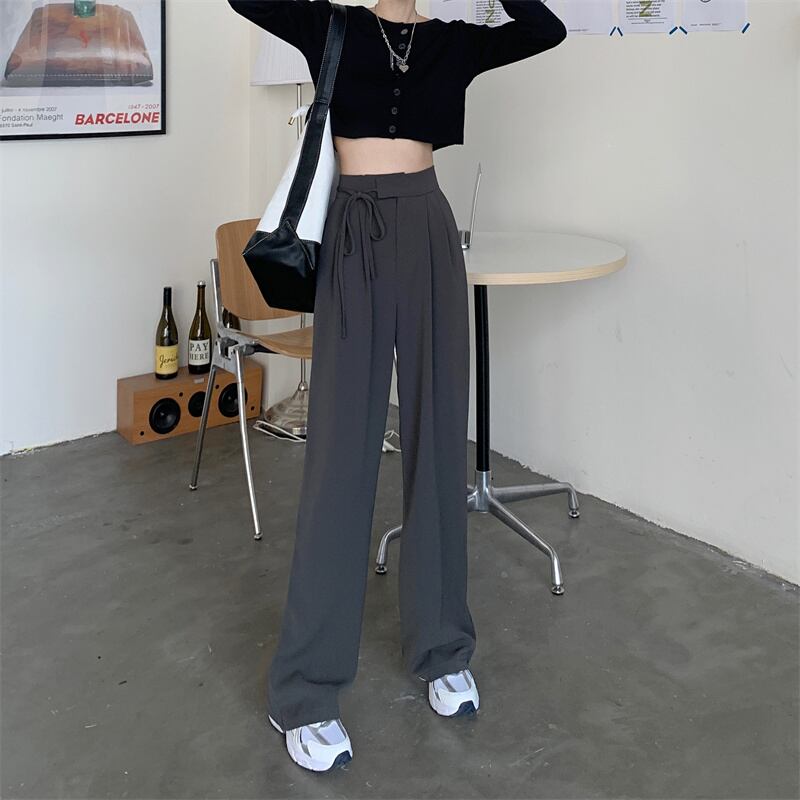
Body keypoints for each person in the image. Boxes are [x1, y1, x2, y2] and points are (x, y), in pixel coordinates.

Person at [228, 0, 568, 772]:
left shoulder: (452, 44)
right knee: (340, 457)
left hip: (428, 231)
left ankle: (443, 649)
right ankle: (305, 691)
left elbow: (544, 29)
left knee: (440, 438)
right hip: (351, 231)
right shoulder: (331, 27)